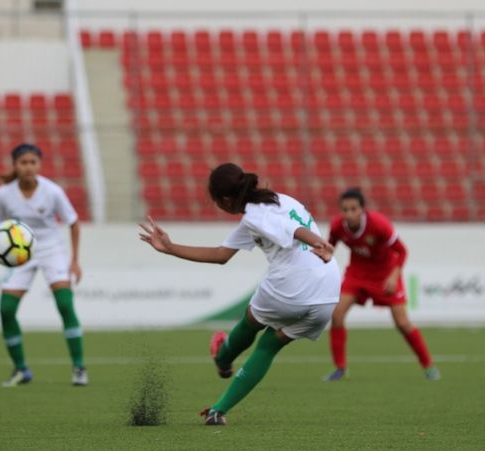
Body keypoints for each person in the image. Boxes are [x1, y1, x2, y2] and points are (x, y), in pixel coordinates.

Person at [139, 163, 341, 425]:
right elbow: (221, 255)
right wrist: (170, 247)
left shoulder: (256, 216)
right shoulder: (278, 201)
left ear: (225, 200)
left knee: (250, 320)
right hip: (327, 292)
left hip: (293, 284)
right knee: (269, 345)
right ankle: (217, 409)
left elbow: (291, 230)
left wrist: (319, 243)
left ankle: (223, 357)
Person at [0, 143, 88, 387]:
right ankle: (21, 370)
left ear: (39, 164)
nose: (28, 167)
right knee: (6, 309)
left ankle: (79, 367)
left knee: (65, 304)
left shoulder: (52, 191)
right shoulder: (4, 193)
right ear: (15, 165)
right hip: (20, 254)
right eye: (23, 162)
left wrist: (75, 260)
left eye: (32, 162)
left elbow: (73, 222)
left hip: (51, 249)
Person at [324, 188, 440, 382]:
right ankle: (340, 369)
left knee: (402, 323)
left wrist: (394, 277)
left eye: (353, 209)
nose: (349, 213)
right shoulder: (337, 226)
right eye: (345, 209)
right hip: (357, 274)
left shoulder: (378, 224)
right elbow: (330, 248)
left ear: (362, 209)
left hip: (385, 274)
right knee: (337, 315)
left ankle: (428, 366)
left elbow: (402, 251)